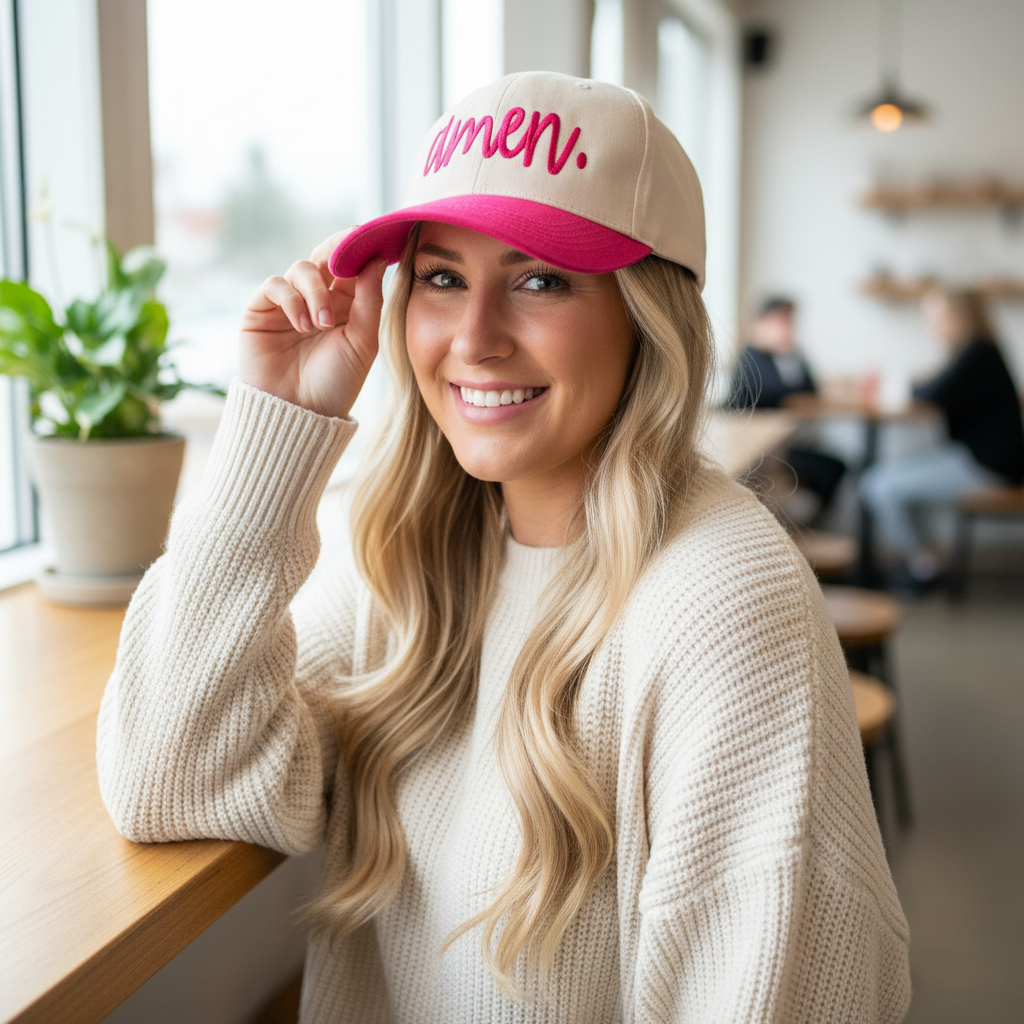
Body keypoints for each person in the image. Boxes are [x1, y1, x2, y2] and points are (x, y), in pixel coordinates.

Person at [97, 73, 910, 1023]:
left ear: (647, 315)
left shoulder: (724, 603)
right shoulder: (409, 545)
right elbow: (170, 778)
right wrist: (276, 421)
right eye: (441, 278)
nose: (474, 339)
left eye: (539, 280)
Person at [860, 287, 1024, 588]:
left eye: (936, 317)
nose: (932, 326)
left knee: (878, 485)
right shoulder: (976, 351)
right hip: (978, 456)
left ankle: (925, 568)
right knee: (890, 477)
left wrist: (903, 384)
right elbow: (937, 385)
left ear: (957, 317)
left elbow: (933, 393)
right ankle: (925, 562)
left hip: (990, 466)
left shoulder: (978, 353)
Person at [729, 297, 846, 521]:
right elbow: (775, 391)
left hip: (785, 443)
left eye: (791, 323)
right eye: (782, 322)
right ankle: (805, 525)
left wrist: (790, 354)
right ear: (761, 323)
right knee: (829, 468)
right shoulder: (751, 356)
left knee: (836, 465)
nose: (788, 329)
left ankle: (808, 523)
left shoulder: (788, 355)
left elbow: (810, 389)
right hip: (760, 451)